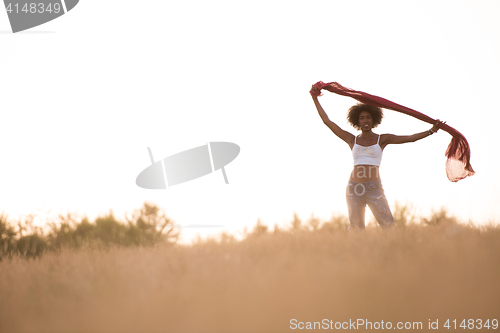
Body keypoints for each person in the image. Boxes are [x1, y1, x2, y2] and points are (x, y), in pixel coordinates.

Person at [310, 86, 444, 230]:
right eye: (361, 118)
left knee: (389, 226)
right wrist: (315, 98)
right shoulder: (351, 139)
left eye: (368, 117)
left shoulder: (382, 139)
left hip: (374, 189)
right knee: (356, 228)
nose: (365, 120)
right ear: (357, 121)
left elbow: (409, 138)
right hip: (354, 189)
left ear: (374, 120)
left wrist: (431, 131)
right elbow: (327, 121)